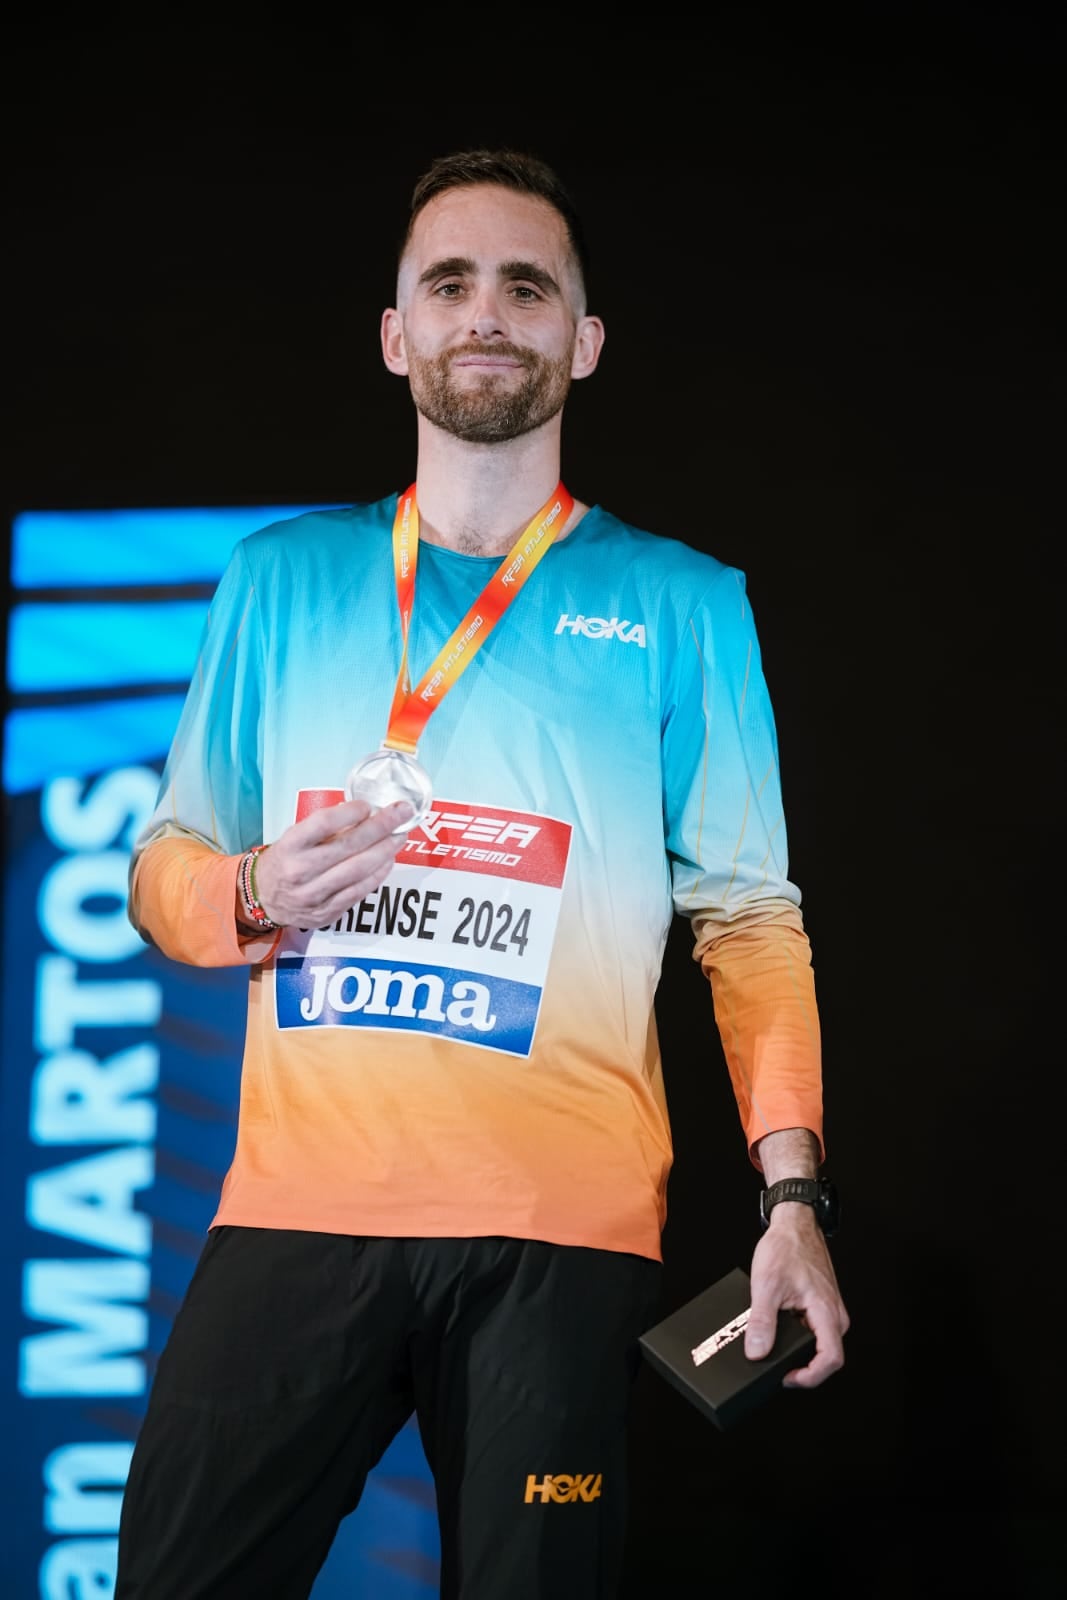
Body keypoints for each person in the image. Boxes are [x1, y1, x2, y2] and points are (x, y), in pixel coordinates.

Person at [114, 146, 849, 1600]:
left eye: (528, 285)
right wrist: (257, 889)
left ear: (582, 339)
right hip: (298, 1211)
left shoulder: (684, 602)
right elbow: (166, 867)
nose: (485, 312)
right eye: (448, 283)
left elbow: (751, 922)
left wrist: (794, 1204)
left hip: (557, 1238)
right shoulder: (281, 576)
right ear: (398, 336)